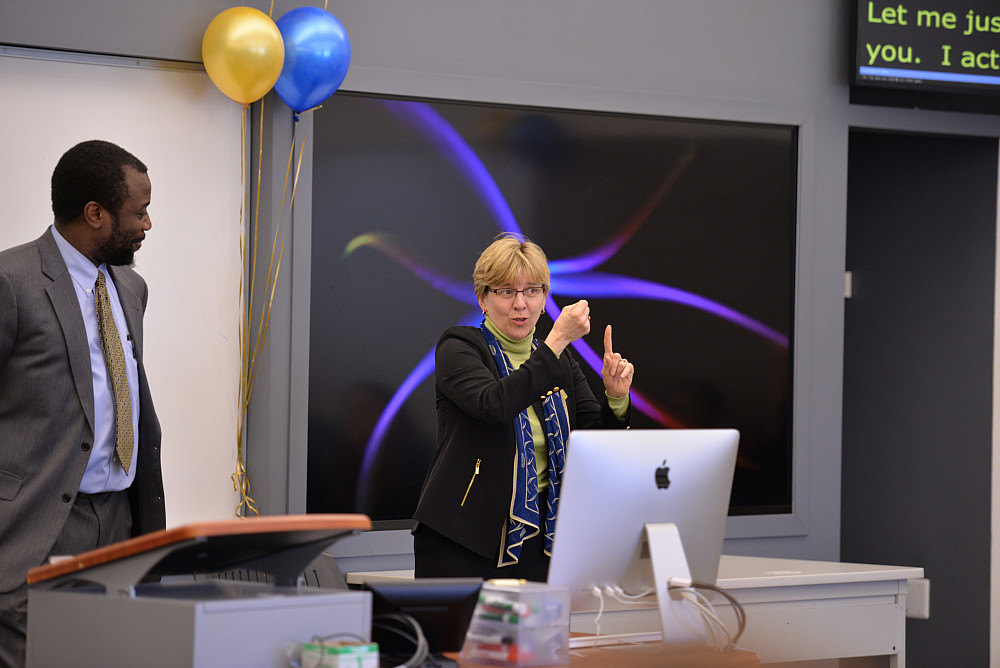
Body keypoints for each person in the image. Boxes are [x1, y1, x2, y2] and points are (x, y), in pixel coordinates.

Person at [0, 140, 164, 667]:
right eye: (138, 212)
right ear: (95, 214)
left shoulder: (131, 287)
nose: (147, 224)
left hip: (117, 524)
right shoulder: (12, 282)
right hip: (33, 529)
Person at [412, 234, 634, 582]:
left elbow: (592, 443)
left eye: (532, 291)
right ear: (482, 298)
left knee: (538, 639)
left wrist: (615, 397)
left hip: (542, 540)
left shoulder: (559, 361)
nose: (521, 304)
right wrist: (557, 340)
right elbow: (495, 403)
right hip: (464, 541)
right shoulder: (460, 347)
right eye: (506, 291)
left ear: (545, 298)